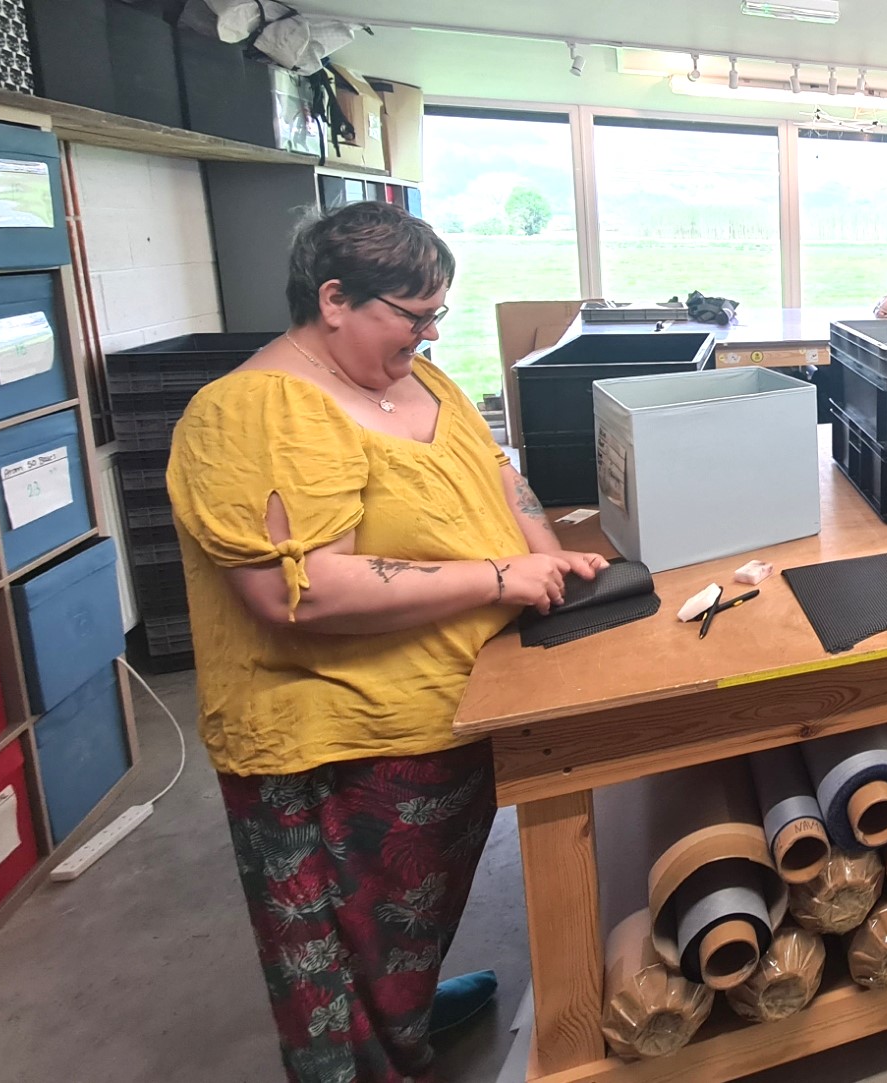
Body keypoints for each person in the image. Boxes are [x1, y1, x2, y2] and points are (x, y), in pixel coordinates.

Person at [167, 201, 608, 1083]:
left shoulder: (423, 382)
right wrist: (496, 579)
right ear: (334, 299)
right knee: (338, 948)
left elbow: (497, 472)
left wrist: (550, 558)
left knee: (406, 916)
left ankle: (404, 1003)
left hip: (453, 702)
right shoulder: (254, 413)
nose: (428, 334)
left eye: (436, 314)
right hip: (334, 737)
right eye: (414, 315)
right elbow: (299, 592)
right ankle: (372, 1053)